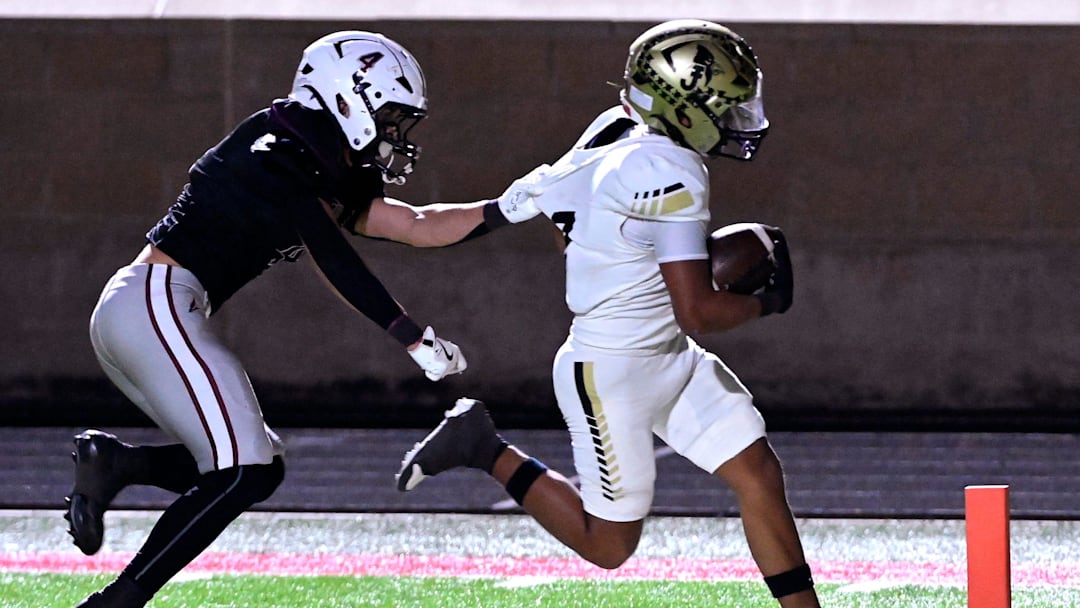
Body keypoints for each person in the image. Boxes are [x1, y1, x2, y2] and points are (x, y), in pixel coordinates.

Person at [67, 30, 540, 608]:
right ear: (348, 96)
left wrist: (515, 205)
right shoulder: (282, 145)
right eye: (390, 115)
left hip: (156, 308)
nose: (395, 132)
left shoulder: (321, 155)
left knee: (260, 470)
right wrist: (410, 337)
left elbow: (416, 224)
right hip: (152, 302)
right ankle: (116, 602)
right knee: (240, 469)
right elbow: (332, 257)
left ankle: (116, 463)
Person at [396, 20, 821, 608]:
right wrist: (766, 301)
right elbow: (698, 310)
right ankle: (483, 446)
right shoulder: (671, 171)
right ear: (683, 106)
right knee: (610, 545)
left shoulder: (613, 128)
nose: (734, 118)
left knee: (758, 475)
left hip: (668, 353)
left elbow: (560, 227)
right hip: (609, 372)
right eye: (722, 105)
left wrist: (626, 249)